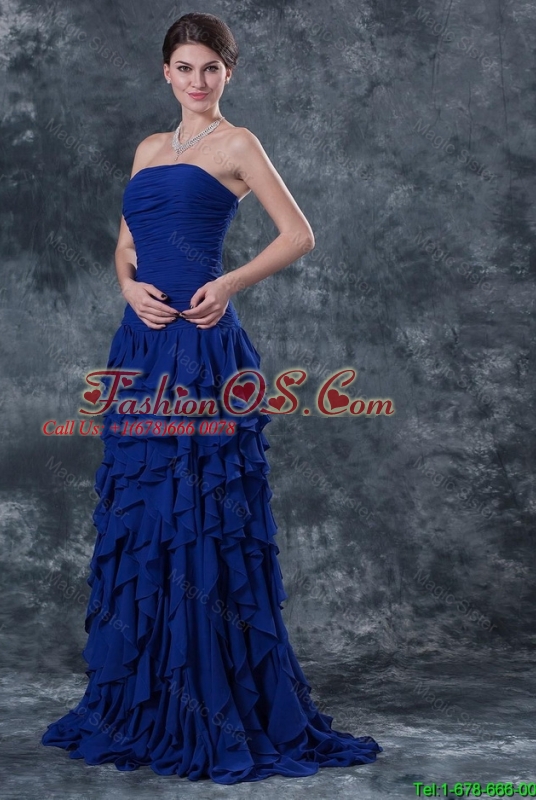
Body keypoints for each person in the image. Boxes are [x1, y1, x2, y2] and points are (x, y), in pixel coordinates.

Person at [41, 11, 383, 785]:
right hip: (142, 347)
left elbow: (298, 234)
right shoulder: (148, 149)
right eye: (186, 67)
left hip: (201, 348)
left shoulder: (239, 144)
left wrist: (227, 284)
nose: (198, 81)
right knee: (145, 516)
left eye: (212, 69)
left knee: (200, 513)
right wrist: (127, 287)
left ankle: (211, 695)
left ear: (228, 73)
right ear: (166, 72)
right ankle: (146, 696)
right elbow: (127, 244)